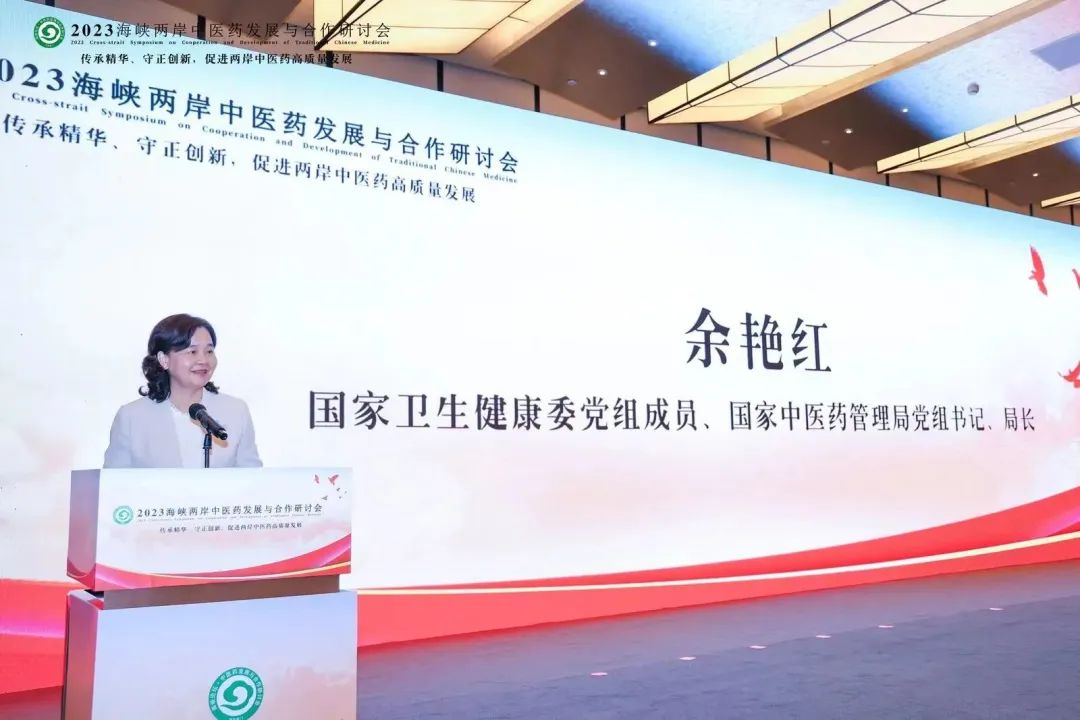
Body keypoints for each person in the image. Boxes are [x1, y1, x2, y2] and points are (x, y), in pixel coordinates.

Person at [103, 313, 262, 468]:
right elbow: (114, 482)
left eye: (209, 351)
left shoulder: (236, 411)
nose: (203, 360)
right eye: (192, 352)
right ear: (164, 360)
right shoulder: (131, 418)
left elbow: (252, 479)